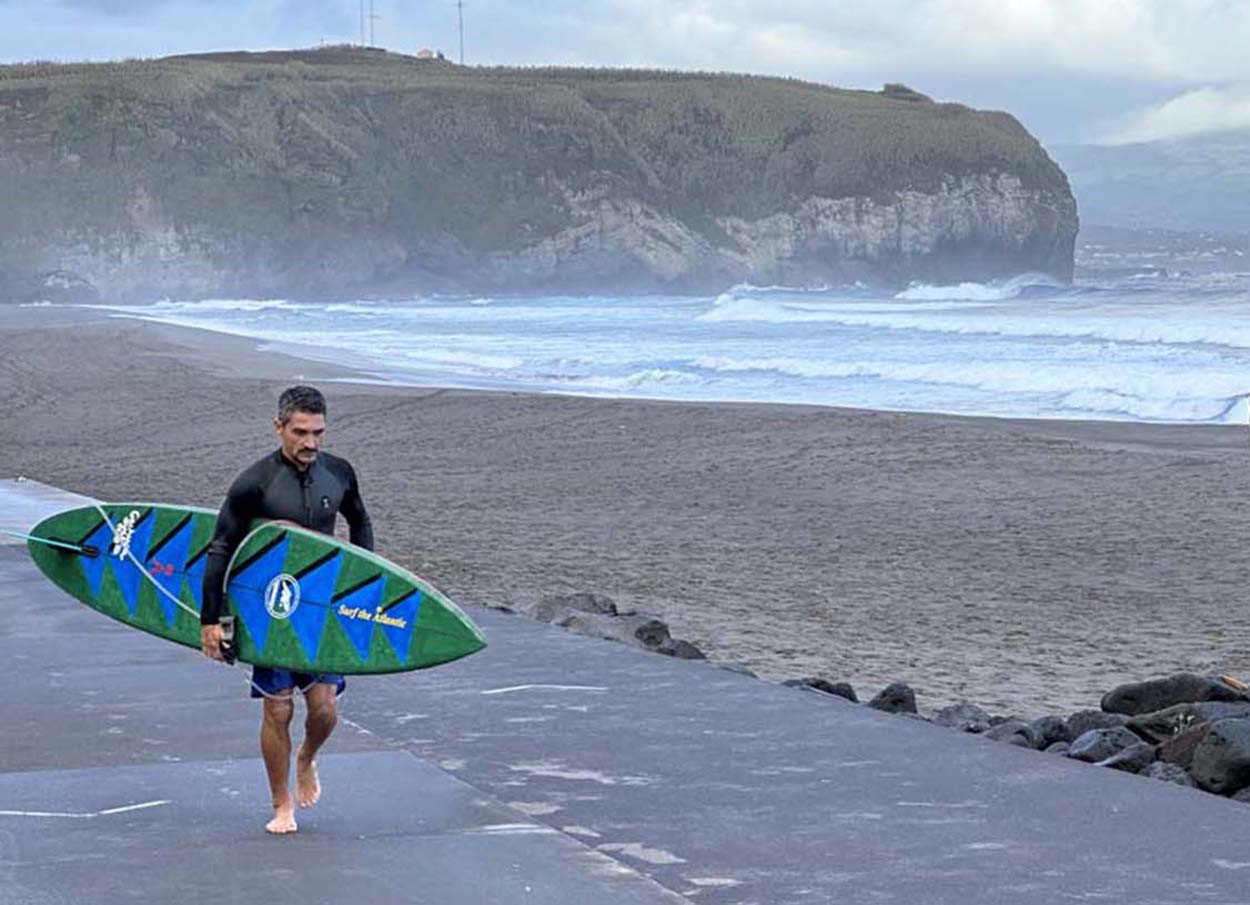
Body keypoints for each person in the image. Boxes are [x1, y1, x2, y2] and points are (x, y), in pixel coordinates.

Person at [200, 385, 373, 834]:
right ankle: (281, 805)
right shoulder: (254, 482)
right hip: (271, 606)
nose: (310, 443)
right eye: (300, 432)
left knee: (324, 710)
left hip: (320, 607)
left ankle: (307, 757)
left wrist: (362, 585)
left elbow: (360, 522)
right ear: (279, 427)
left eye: (318, 432)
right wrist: (210, 621)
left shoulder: (338, 473)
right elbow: (220, 549)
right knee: (278, 710)